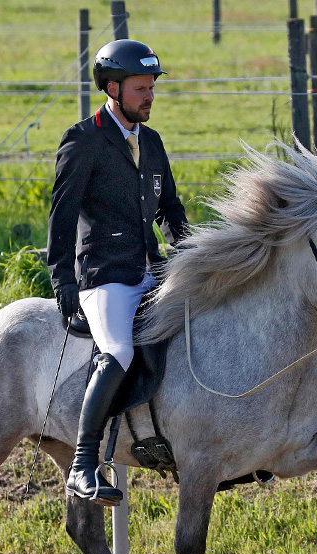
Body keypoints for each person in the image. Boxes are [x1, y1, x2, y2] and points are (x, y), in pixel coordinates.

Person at [46, 40, 188, 506]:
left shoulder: (152, 141)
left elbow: (170, 211)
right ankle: (84, 465)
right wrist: (63, 281)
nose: (150, 96)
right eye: (141, 89)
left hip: (151, 270)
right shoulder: (83, 139)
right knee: (119, 350)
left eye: (152, 88)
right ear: (113, 88)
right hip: (103, 276)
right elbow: (62, 218)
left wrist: (190, 261)